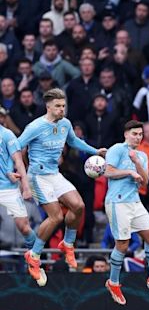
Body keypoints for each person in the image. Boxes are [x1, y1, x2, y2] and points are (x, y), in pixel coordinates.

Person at [18, 89, 107, 285]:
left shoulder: (65, 124)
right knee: (56, 216)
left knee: (79, 206)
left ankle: (67, 244)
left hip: (54, 174)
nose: (61, 109)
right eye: (58, 106)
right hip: (37, 176)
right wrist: (17, 173)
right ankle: (33, 255)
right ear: (48, 106)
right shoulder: (35, 126)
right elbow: (16, 147)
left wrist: (95, 151)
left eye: (63, 106)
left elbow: (74, 141)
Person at [104, 120, 149, 305]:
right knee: (122, 244)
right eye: (134, 133)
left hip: (134, 201)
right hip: (117, 201)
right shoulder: (117, 149)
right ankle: (113, 282)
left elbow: (145, 181)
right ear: (126, 134)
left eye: (140, 134)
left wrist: (136, 162)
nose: (138, 137)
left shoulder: (141, 155)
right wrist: (128, 171)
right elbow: (107, 172)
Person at [0, 117, 45, 282]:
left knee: (24, 227)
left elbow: (18, 161)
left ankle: (35, 263)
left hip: (7, 188)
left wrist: (25, 186)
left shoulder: (6, 135)